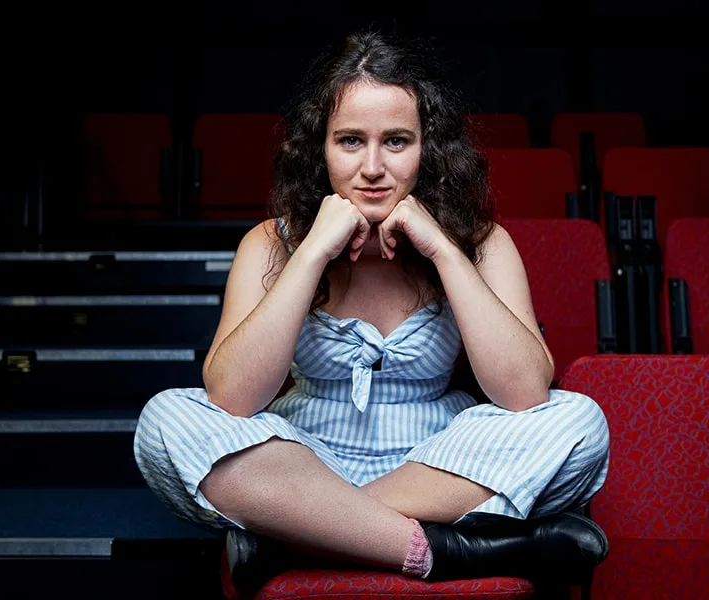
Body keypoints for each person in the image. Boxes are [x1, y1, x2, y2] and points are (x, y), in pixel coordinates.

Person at [134, 30, 609, 584]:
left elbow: (525, 394)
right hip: (299, 459)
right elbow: (233, 398)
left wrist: (443, 252)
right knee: (166, 420)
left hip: (440, 462)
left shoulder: (482, 243)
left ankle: (303, 535)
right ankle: (441, 549)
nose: (373, 167)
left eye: (398, 141)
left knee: (580, 423)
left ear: (428, 148)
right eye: (351, 140)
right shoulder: (270, 242)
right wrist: (311, 251)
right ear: (321, 147)